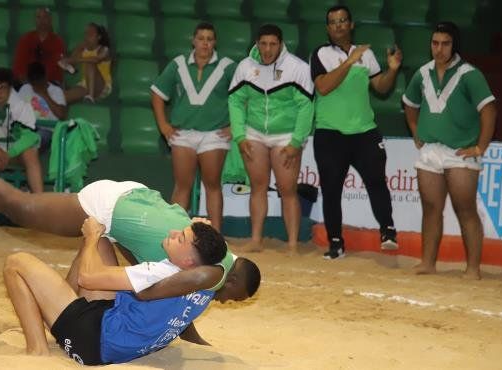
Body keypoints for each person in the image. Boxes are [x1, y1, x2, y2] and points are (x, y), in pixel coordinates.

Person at [0, 155, 259, 305]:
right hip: (109, 206)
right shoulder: (212, 275)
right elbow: (151, 293)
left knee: (131, 254)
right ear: (231, 281)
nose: (229, 302)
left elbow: (159, 272)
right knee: (21, 207)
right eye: (236, 297)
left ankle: (64, 310)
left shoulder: (218, 248)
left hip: (136, 202)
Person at [3, 215, 257, 364]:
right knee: (102, 245)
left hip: (92, 339)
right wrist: (198, 225)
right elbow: (206, 247)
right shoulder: (207, 285)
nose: (172, 232)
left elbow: (89, 278)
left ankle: (37, 348)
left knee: (16, 263)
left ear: (190, 260)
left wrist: (91, 235)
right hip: (116, 331)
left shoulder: (157, 274)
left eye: (180, 237)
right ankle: (58, 317)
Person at [402, 22, 496, 280]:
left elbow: (489, 110)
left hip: (460, 153)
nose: (439, 49)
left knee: (465, 209)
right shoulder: (422, 73)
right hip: (430, 150)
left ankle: (473, 268)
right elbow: (409, 104)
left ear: (455, 45)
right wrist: (414, 130)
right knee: (430, 208)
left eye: (445, 43)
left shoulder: (470, 74)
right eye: (435, 43)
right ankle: (427, 263)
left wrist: (480, 147)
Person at [309, 5, 403, 259]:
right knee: (331, 190)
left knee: (376, 182)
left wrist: (392, 70)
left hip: (364, 132)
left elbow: (381, 88)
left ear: (351, 25)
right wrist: (349, 62)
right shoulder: (320, 54)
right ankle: (336, 243)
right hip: (330, 133)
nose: (339, 25)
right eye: (333, 22)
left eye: (343, 21)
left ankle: (388, 231)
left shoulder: (367, 54)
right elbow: (324, 87)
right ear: (328, 28)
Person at [228, 24, 315, 254]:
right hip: (254, 133)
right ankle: (256, 240)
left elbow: (306, 107)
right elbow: (235, 102)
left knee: (287, 189)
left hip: (286, 136)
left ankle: (293, 244)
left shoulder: (297, 68)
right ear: (257, 43)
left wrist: (296, 142)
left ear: (281, 44)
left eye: (273, 44)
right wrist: (239, 136)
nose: (267, 49)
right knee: (258, 186)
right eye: (263, 44)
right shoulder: (245, 67)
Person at [151, 22, 235, 231]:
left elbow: (244, 97)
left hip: (215, 134)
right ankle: (173, 232)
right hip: (183, 133)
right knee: (182, 186)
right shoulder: (178, 64)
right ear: (193, 40)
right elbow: (157, 93)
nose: (205, 43)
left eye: (209, 39)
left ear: (215, 42)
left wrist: (235, 126)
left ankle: (216, 235)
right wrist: (163, 125)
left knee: (212, 185)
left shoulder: (227, 66)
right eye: (201, 38)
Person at [17, 62, 67, 152]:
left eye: (39, 82)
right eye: (34, 83)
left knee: (35, 140)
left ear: (45, 77)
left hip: (48, 130)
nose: (36, 86)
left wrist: (45, 95)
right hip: (27, 128)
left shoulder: (56, 91)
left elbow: (61, 115)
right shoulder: (25, 89)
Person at [60, 23, 112, 104]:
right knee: (62, 98)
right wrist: (65, 62)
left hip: (102, 86)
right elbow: (71, 65)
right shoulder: (82, 47)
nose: (87, 36)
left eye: (91, 34)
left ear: (98, 37)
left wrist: (75, 60)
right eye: (86, 33)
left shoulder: (104, 49)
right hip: (85, 84)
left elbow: (96, 60)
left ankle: (90, 97)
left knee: (89, 63)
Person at [12, 7, 66, 84]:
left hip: (50, 84)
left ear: (50, 20)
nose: (42, 21)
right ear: (35, 20)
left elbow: (56, 69)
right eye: (38, 17)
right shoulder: (25, 39)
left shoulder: (58, 42)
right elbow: (19, 67)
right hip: (27, 83)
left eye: (45, 17)